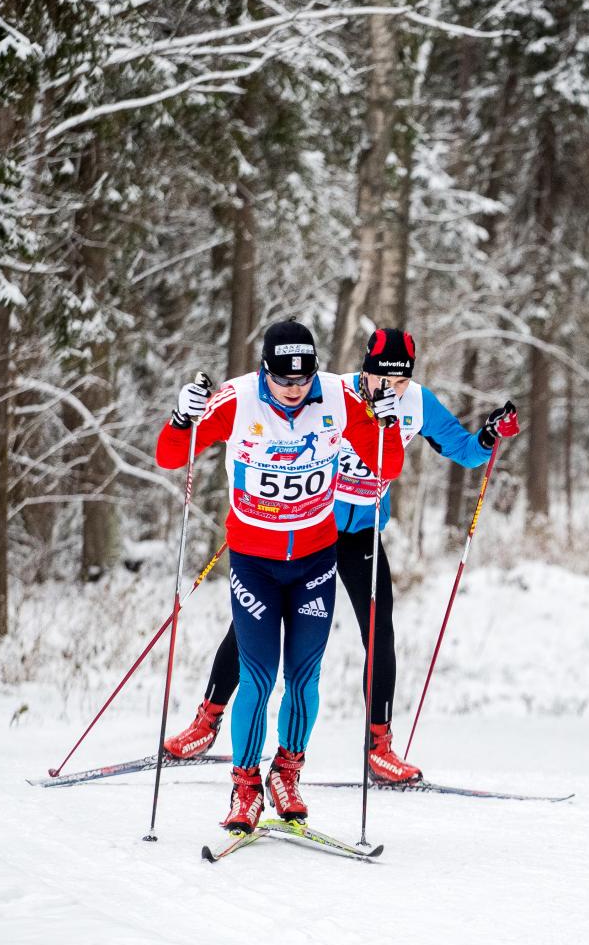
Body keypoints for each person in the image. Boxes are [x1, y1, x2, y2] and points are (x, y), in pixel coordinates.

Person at [163, 328, 521, 784]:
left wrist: (490, 435)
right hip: (314, 527)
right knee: (251, 630)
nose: (390, 390)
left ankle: (380, 747)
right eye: (381, 379)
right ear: (364, 370)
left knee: (380, 631)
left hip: (363, 533)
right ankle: (207, 720)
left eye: (401, 382)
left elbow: (466, 454)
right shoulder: (334, 395)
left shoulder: (417, 404)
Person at [156, 319, 407, 832]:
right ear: (263, 370)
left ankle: (286, 773)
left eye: (303, 380)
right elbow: (169, 456)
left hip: (316, 558)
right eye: (283, 380)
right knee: (259, 675)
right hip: (255, 561)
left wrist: (383, 425)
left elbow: (389, 468)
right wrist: (183, 419)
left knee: (304, 677)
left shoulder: (338, 397)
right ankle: (245, 786)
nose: (294, 392)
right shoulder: (236, 400)